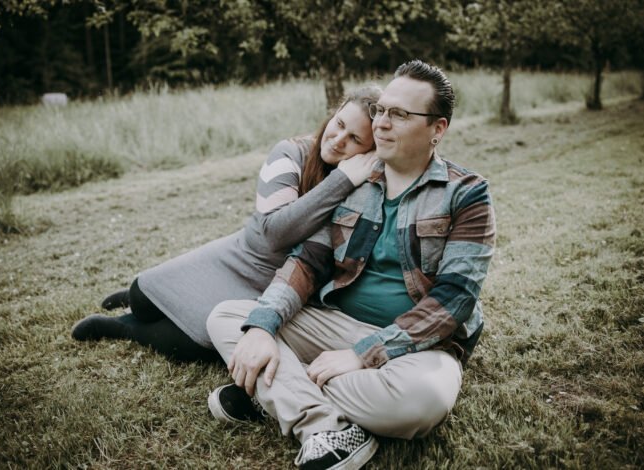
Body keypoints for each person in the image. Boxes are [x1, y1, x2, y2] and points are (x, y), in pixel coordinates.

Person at [206, 59, 497, 470]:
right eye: (381, 110)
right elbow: (307, 262)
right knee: (229, 317)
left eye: (400, 114)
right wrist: (262, 326)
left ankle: (277, 391)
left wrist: (365, 354)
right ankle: (324, 427)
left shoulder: (466, 194)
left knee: (423, 401)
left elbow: (455, 298)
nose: (382, 123)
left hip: (416, 346)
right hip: (334, 325)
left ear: (438, 128)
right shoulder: (356, 180)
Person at [71, 86, 382, 362]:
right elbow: (274, 234)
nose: (339, 139)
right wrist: (341, 180)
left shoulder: (365, 187)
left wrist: (350, 181)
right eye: (339, 124)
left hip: (280, 285)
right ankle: (143, 297)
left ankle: (123, 328)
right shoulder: (290, 153)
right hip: (242, 257)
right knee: (142, 296)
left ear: (369, 152)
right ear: (333, 114)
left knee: (199, 344)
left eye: (355, 138)